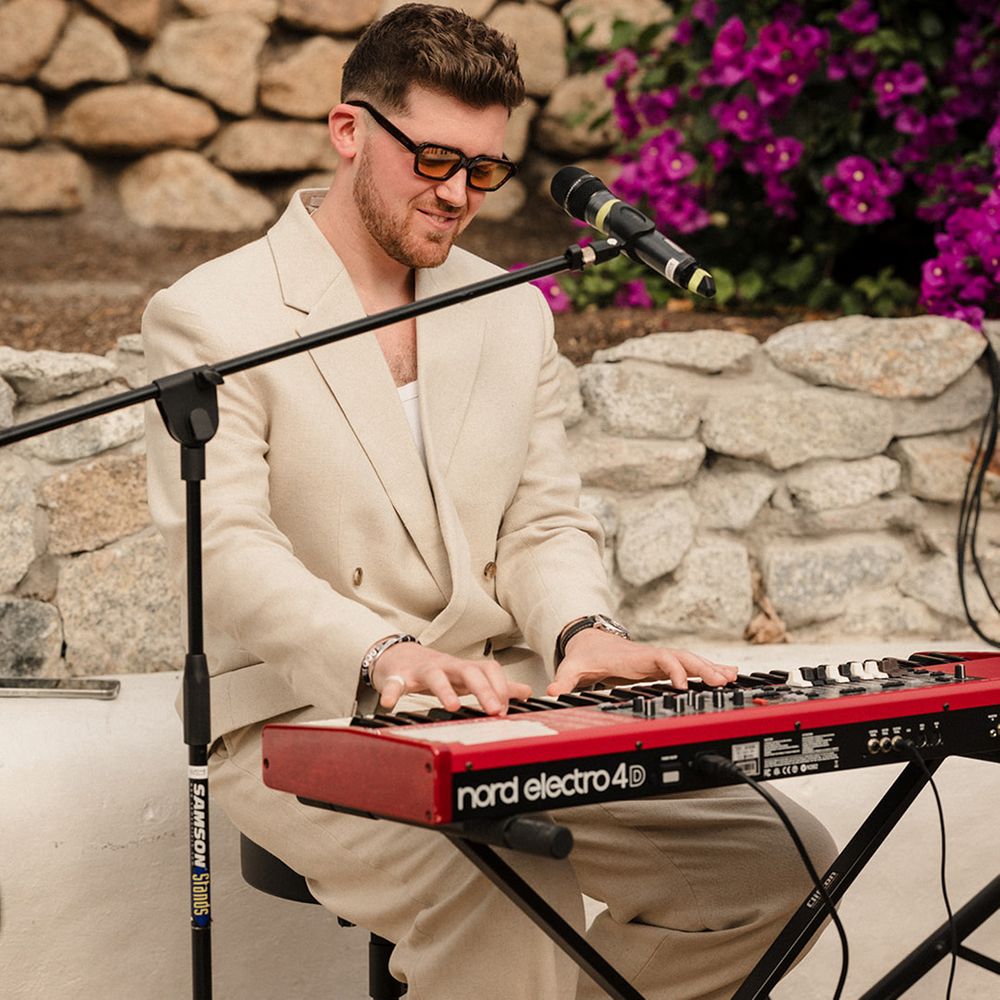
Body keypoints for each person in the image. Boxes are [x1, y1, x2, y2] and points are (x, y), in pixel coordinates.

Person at [142, 5, 836, 998]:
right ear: (349, 132)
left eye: (483, 169)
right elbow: (225, 548)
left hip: (502, 697)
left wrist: (582, 631)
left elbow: (543, 519)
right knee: (509, 888)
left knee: (781, 864)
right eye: (431, 159)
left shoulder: (510, 308)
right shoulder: (213, 313)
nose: (457, 194)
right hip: (306, 710)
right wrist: (381, 655)